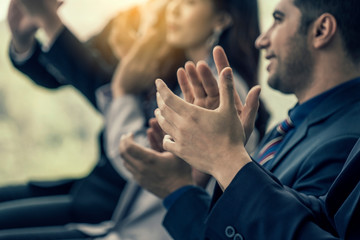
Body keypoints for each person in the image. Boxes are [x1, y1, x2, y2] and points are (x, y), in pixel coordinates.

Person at [1, 0, 268, 239]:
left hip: (124, 211)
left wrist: (122, 91)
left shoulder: (221, 92)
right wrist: (27, 39)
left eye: (189, 2)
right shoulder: (158, 45)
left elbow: (147, 162)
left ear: (221, 19)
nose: (172, 8)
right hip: (106, 194)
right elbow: (77, 70)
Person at [119, 0, 360, 238]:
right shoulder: (292, 127)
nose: (261, 40)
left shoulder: (344, 140)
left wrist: (223, 158)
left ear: (321, 30)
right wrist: (188, 181)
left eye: (278, 20)